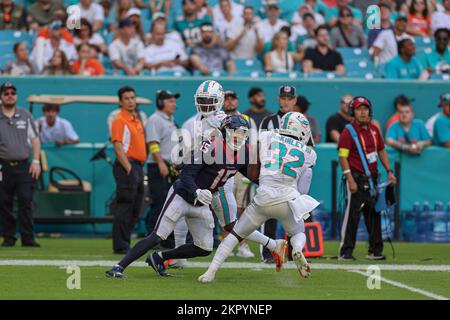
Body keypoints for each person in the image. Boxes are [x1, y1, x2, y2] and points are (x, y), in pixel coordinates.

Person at [105, 113, 285, 278]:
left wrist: (271, 186)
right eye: (235, 131)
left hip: (202, 203)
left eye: (243, 132)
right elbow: (186, 174)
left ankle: (159, 258)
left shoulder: (243, 153)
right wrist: (196, 191)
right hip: (182, 195)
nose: (239, 135)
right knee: (158, 235)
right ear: (225, 131)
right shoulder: (211, 146)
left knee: (204, 247)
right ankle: (118, 267)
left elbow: (251, 175)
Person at [198, 112, 319, 283]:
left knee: (234, 235)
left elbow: (253, 166)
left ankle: (210, 272)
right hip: (288, 199)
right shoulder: (309, 153)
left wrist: (258, 178)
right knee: (298, 232)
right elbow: (304, 187)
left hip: (263, 198)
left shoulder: (267, 136)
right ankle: (297, 248)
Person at [175, 81, 285, 269]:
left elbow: (241, 148)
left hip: (219, 181)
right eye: (201, 100)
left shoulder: (224, 121)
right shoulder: (192, 122)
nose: (205, 104)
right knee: (182, 214)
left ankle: (272, 244)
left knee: (232, 225)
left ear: (219, 101)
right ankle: (179, 259)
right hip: (198, 177)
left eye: (209, 100)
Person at [337, 96, 397, 260]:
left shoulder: (374, 130)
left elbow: (382, 151)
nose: (363, 112)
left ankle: (375, 251)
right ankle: (346, 252)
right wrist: (349, 179)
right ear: (353, 112)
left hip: (373, 180)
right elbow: (342, 157)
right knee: (352, 217)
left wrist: (389, 171)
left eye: (365, 109)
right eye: (359, 109)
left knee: (374, 214)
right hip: (356, 179)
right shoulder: (348, 132)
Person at [258, 85, 297, 263]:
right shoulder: (268, 122)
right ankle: (268, 253)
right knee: (269, 215)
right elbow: (260, 148)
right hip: (271, 175)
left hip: (291, 176)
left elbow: (309, 147)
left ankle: (295, 252)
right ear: (278, 100)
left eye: (289, 98)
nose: (286, 101)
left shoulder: (300, 121)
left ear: (294, 101)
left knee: (295, 214)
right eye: (283, 98)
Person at [0, 82, 41, 247]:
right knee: (4, 202)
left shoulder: (25, 115)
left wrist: (36, 161)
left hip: (24, 165)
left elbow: (35, 139)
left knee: (25, 200)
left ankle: (28, 237)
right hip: (3, 166)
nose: (10, 95)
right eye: (6, 93)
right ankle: (9, 237)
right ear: (1, 96)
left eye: (13, 93)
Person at [110, 86, 147, 254]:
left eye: (133, 97)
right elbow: (118, 148)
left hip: (137, 166)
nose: (131, 101)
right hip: (128, 166)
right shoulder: (119, 120)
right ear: (120, 101)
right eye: (126, 98)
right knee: (125, 206)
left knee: (136, 207)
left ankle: (125, 241)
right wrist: (129, 169)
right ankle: (120, 245)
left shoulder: (136, 119)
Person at [145, 90, 181, 236]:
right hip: (159, 166)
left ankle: (165, 236)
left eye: (174, 101)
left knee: (169, 204)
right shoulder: (155, 119)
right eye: (170, 101)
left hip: (170, 166)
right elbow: (153, 143)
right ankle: (153, 235)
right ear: (161, 103)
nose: (174, 104)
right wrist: (160, 163)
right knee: (159, 202)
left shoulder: (170, 120)